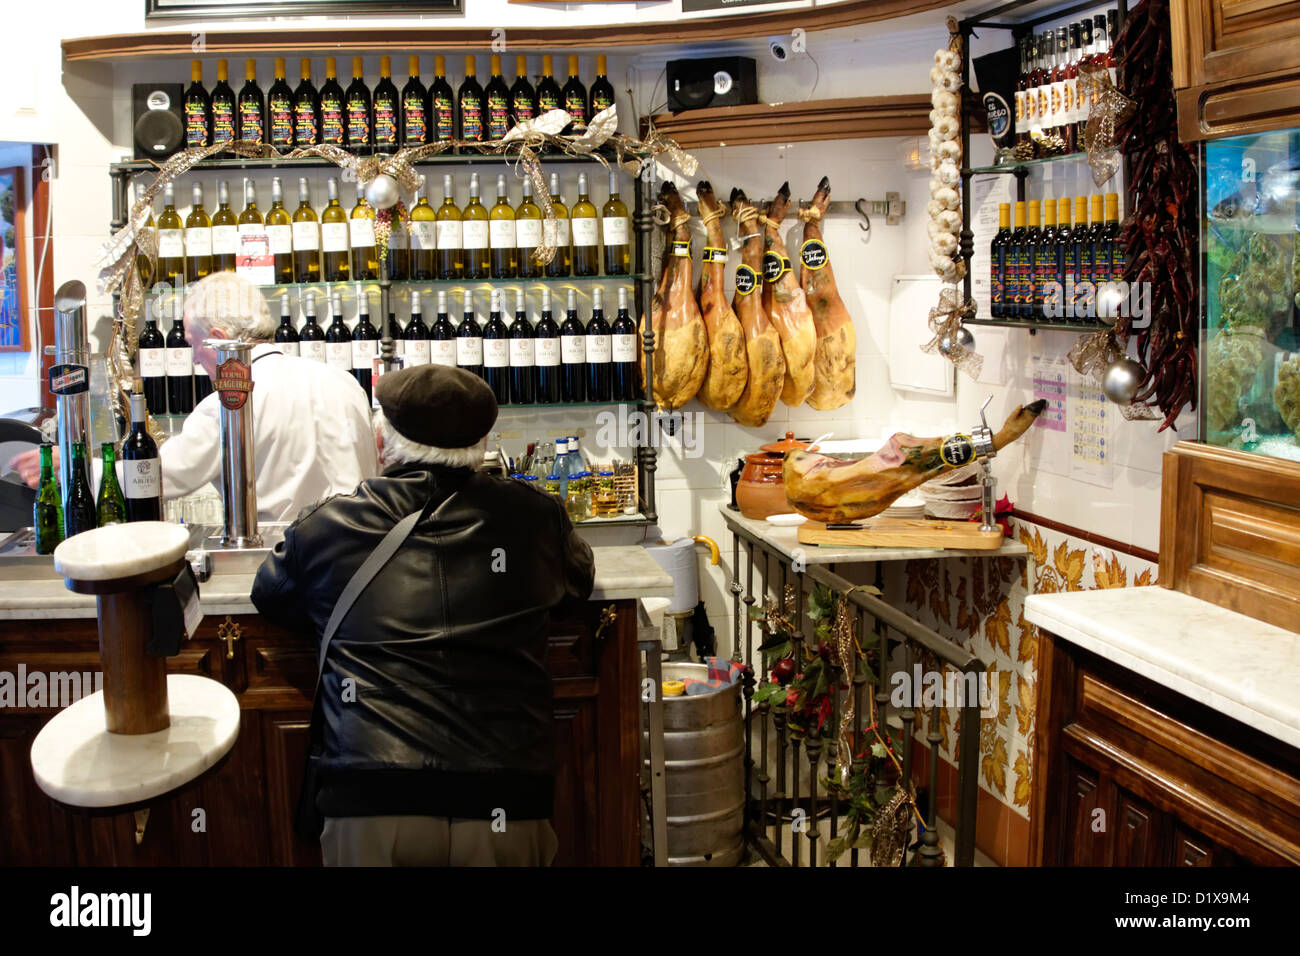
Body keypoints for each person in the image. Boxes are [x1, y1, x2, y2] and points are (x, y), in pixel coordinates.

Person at [250, 363, 594, 866]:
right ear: (482, 439)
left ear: (383, 439)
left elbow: (272, 597)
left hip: (373, 799)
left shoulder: (330, 525)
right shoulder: (536, 518)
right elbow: (576, 586)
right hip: (503, 798)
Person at [14, 273, 377, 521]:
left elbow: (158, 477)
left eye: (193, 344)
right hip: (364, 558)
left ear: (217, 338)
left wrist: (73, 468)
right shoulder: (341, 381)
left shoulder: (229, 403)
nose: (194, 359)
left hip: (288, 559)